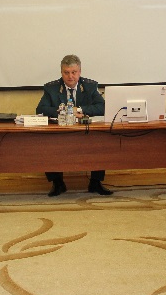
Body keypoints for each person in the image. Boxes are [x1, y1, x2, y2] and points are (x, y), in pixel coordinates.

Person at [36, 54, 112, 197]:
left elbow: (103, 107)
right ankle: (58, 183)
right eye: (66, 72)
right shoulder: (51, 88)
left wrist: (80, 110)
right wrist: (64, 111)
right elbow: (41, 109)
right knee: (47, 143)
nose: (70, 76)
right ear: (61, 72)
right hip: (60, 131)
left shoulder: (90, 86)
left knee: (101, 141)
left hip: (86, 132)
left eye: (74, 72)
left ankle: (95, 182)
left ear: (79, 72)